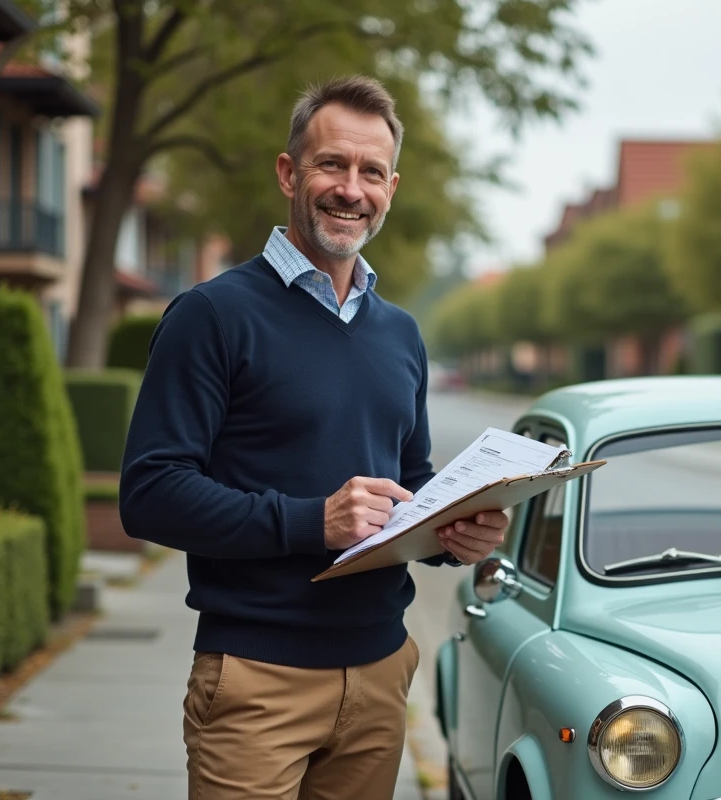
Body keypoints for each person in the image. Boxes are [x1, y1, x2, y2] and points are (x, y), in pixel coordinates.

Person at [118, 74, 509, 799]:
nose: (350, 189)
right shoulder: (211, 316)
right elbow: (149, 495)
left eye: (370, 173)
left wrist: (456, 529)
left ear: (391, 186)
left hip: (382, 670)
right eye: (332, 164)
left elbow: (411, 479)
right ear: (289, 172)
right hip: (257, 679)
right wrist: (311, 519)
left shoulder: (401, 333)